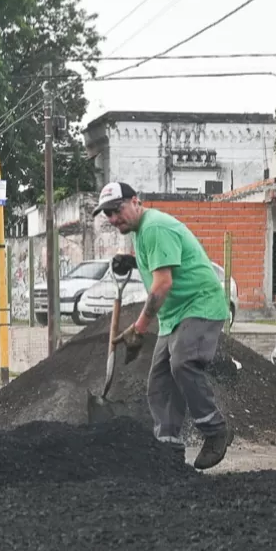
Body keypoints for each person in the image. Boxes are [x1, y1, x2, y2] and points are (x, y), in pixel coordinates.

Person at [95, 181, 234, 470]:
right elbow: (164, 263)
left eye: (116, 210)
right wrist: (132, 263)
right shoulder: (142, 231)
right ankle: (167, 452)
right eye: (107, 214)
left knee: (183, 362)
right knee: (160, 382)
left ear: (135, 202)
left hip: (200, 305)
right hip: (175, 314)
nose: (112, 218)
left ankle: (215, 430)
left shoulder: (154, 227)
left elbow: (162, 284)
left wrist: (140, 327)